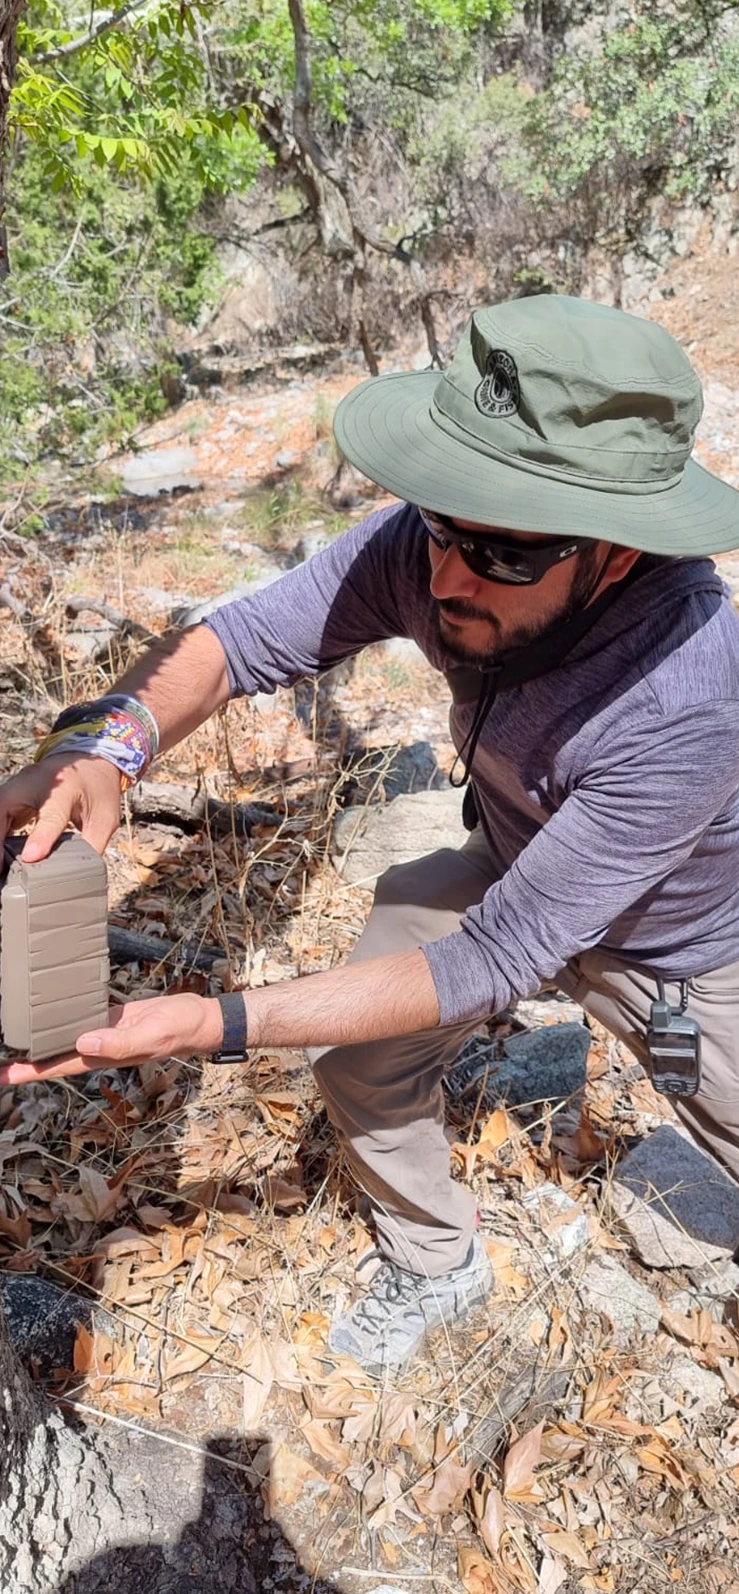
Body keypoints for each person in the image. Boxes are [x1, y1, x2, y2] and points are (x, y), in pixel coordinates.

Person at [1, 294, 739, 1379]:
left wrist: (211, 1024)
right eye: (440, 522)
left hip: (678, 949)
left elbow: (495, 960)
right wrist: (104, 747)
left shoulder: (688, 695)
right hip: (512, 864)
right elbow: (245, 638)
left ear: (617, 554)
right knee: (358, 1055)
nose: (444, 577)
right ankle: (435, 1257)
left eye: (503, 553)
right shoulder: (443, 545)